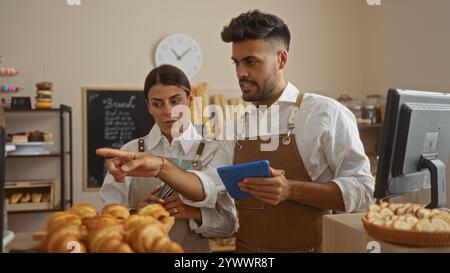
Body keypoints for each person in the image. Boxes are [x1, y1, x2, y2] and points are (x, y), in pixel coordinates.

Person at [214, 9, 375, 252]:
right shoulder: (235, 126)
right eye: (236, 63)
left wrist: (291, 189)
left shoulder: (325, 114)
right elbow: (215, 190)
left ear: (281, 59)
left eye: (251, 61)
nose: (240, 73)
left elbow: (364, 191)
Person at [98, 64, 236, 253]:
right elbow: (107, 218)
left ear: (190, 99)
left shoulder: (214, 151)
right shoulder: (130, 150)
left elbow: (230, 224)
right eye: (157, 103)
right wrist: (136, 215)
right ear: (148, 107)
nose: (168, 111)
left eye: (175, 101)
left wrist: (193, 213)